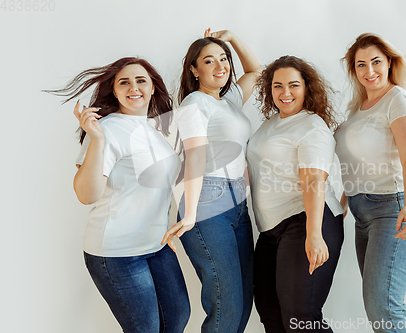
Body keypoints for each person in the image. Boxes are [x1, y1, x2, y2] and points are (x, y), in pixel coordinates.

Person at [46, 57, 190, 333]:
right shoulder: (107, 129)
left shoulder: (155, 128)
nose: (133, 87)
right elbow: (87, 195)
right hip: (117, 252)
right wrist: (97, 140)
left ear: (152, 89)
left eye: (141, 81)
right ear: (114, 90)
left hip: (156, 246)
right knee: (145, 328)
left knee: (177, 317)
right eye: (124, 82)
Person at [162, 29, 261, 333]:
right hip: (207, 199)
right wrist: (191, 213)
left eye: (224, 59)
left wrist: (232, 38)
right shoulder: (194, 104)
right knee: (226, 300)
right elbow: (195, 158)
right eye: (209, 60)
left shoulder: (228, 99)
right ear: (194, 70)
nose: (221, 66)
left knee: (243, 300)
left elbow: (256, 71)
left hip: (237, 202)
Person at [335, 33, 406, 333]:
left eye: (376, 62)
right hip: (364, 215)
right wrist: (341, 204)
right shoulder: (359, 108)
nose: (369, 71)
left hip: (395, 207)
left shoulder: (397, 99)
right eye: (361, 65)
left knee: (384, 304)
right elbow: (355, 164)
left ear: (389, 62)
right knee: (377, 306)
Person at [247, 55, 344, 333]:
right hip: (271, 229)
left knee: (300, 316)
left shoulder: (311, 126)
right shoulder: (270, 124)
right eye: (277, 86)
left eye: (293, 85)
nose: (285, 93)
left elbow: (314, 180)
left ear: (306, 88)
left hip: (306, 220)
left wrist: (314, 234)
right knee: (269, 310)